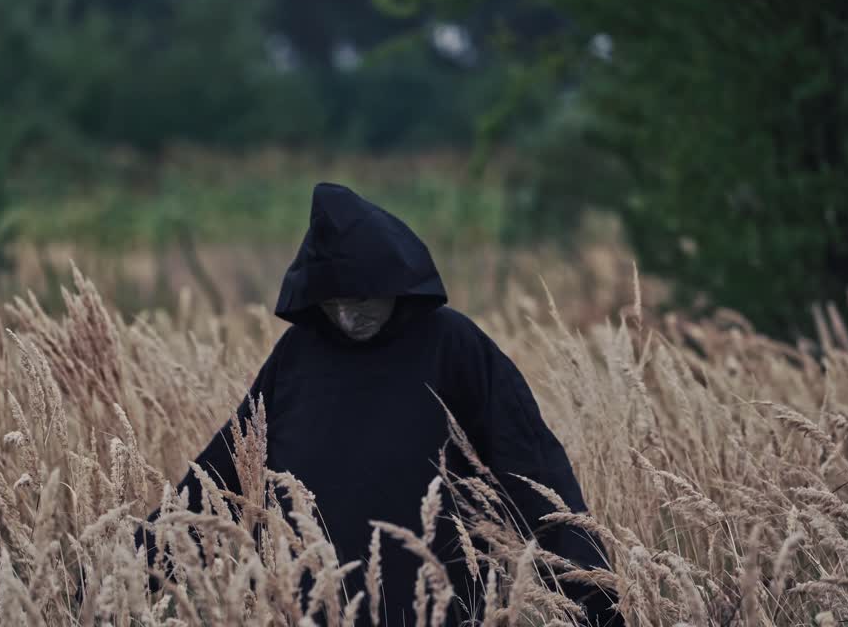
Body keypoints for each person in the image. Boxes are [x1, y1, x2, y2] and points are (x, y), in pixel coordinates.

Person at [166, 183, 619, 625]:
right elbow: (221, 473)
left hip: (440, 604)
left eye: (359, 299)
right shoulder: (297, 357)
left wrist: (595, 603)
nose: (347, 316)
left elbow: (532, 473)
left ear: (391, 283)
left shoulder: (452, 346)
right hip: (314, 608)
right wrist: (117, 571)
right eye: (333, 302)